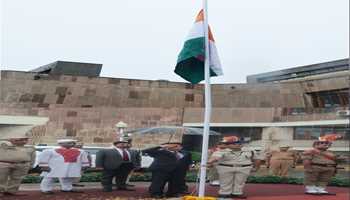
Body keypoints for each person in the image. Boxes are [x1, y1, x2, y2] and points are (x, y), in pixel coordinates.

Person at [0, 131, 36, 196]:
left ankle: (12, 191)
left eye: (26, 139)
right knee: (1, 178)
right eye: (21, 139)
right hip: (4, 164)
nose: (24, 141)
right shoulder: (3, 145)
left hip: (23, 164)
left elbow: (32, 157)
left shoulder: (30, 148)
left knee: (17, 178)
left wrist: (31, 165)